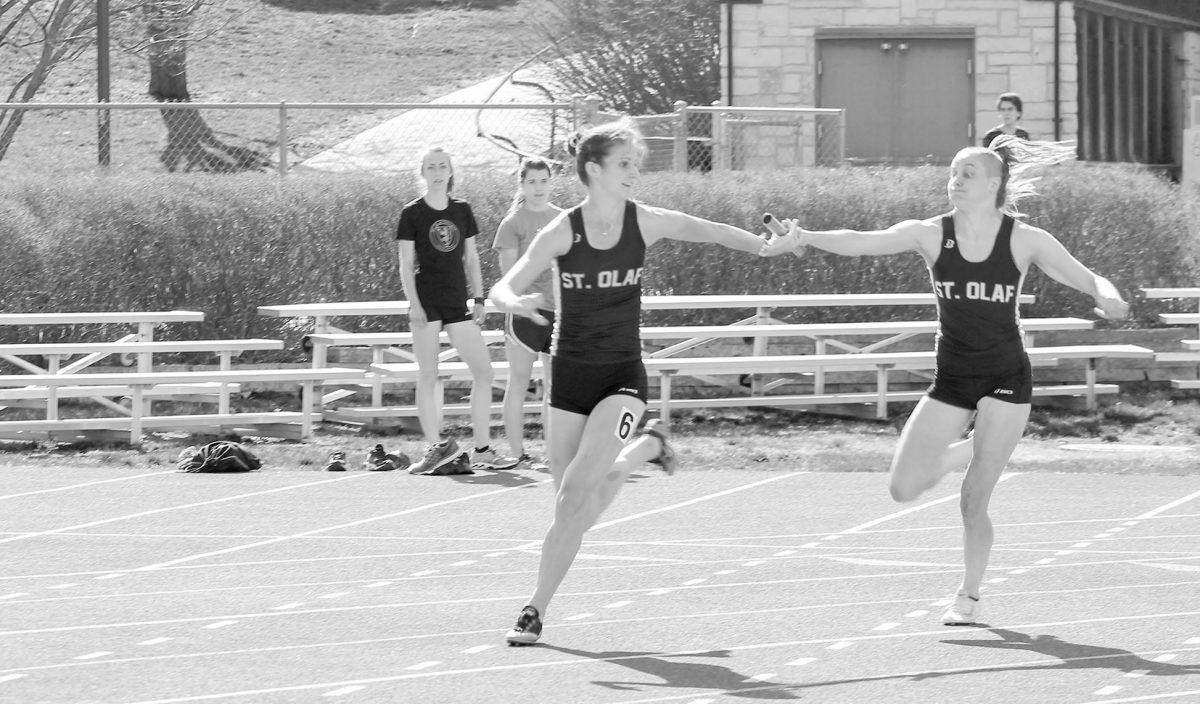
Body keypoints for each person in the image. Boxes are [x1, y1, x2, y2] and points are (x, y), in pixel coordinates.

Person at [760, 135, 1129, 626]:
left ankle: (969, 596)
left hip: (1004, 376)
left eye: (968, 173)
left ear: (994, 183)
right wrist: (805, 237)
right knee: (903, 487)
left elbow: (1088, 278)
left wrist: (1110, 296)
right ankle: (976, 446)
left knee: (973, 498)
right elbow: (865, 240)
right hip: (953, 377)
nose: (955, 180)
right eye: (952, 172)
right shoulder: (931, 234)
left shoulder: (1024, 239)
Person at [489, 119, 769, 645]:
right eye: (624, 163)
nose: (634, 171)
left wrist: (765, 247)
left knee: (575, 491)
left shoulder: (645, 222)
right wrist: (514, 302)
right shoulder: (562, 231)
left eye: (635, 163)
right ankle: (648, 450)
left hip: (621, 375)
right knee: (574, 507)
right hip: (568, 374)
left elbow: (708, 229)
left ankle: (533, 609)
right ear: (593, 171)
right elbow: (504, 285)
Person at [396, 147, 518, 475]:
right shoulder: (412, 213)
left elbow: (472, 257)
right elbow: (406, 264)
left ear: (451, 171)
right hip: (426, 302)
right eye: (430, 167)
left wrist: (479, 299)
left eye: (442, 166)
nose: (437, 171)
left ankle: (481, 449)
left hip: (456, 302)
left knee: (485, 372)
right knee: (428, 375)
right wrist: (415, 305)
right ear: (422, 172)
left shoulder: (462, 209)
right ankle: (436, 448)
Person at [492, 158, 562, 469]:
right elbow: (508, 277)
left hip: (559, 314)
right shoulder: (512, 224)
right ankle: (517, 454)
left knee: (555, 387)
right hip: (524, 315)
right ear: (522, 185)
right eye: (531, 182)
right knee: (519, 382)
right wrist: (524, 301)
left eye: (543, 181)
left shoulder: (564, 219)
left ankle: (553, 455)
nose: (538, 188)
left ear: (551, 183)